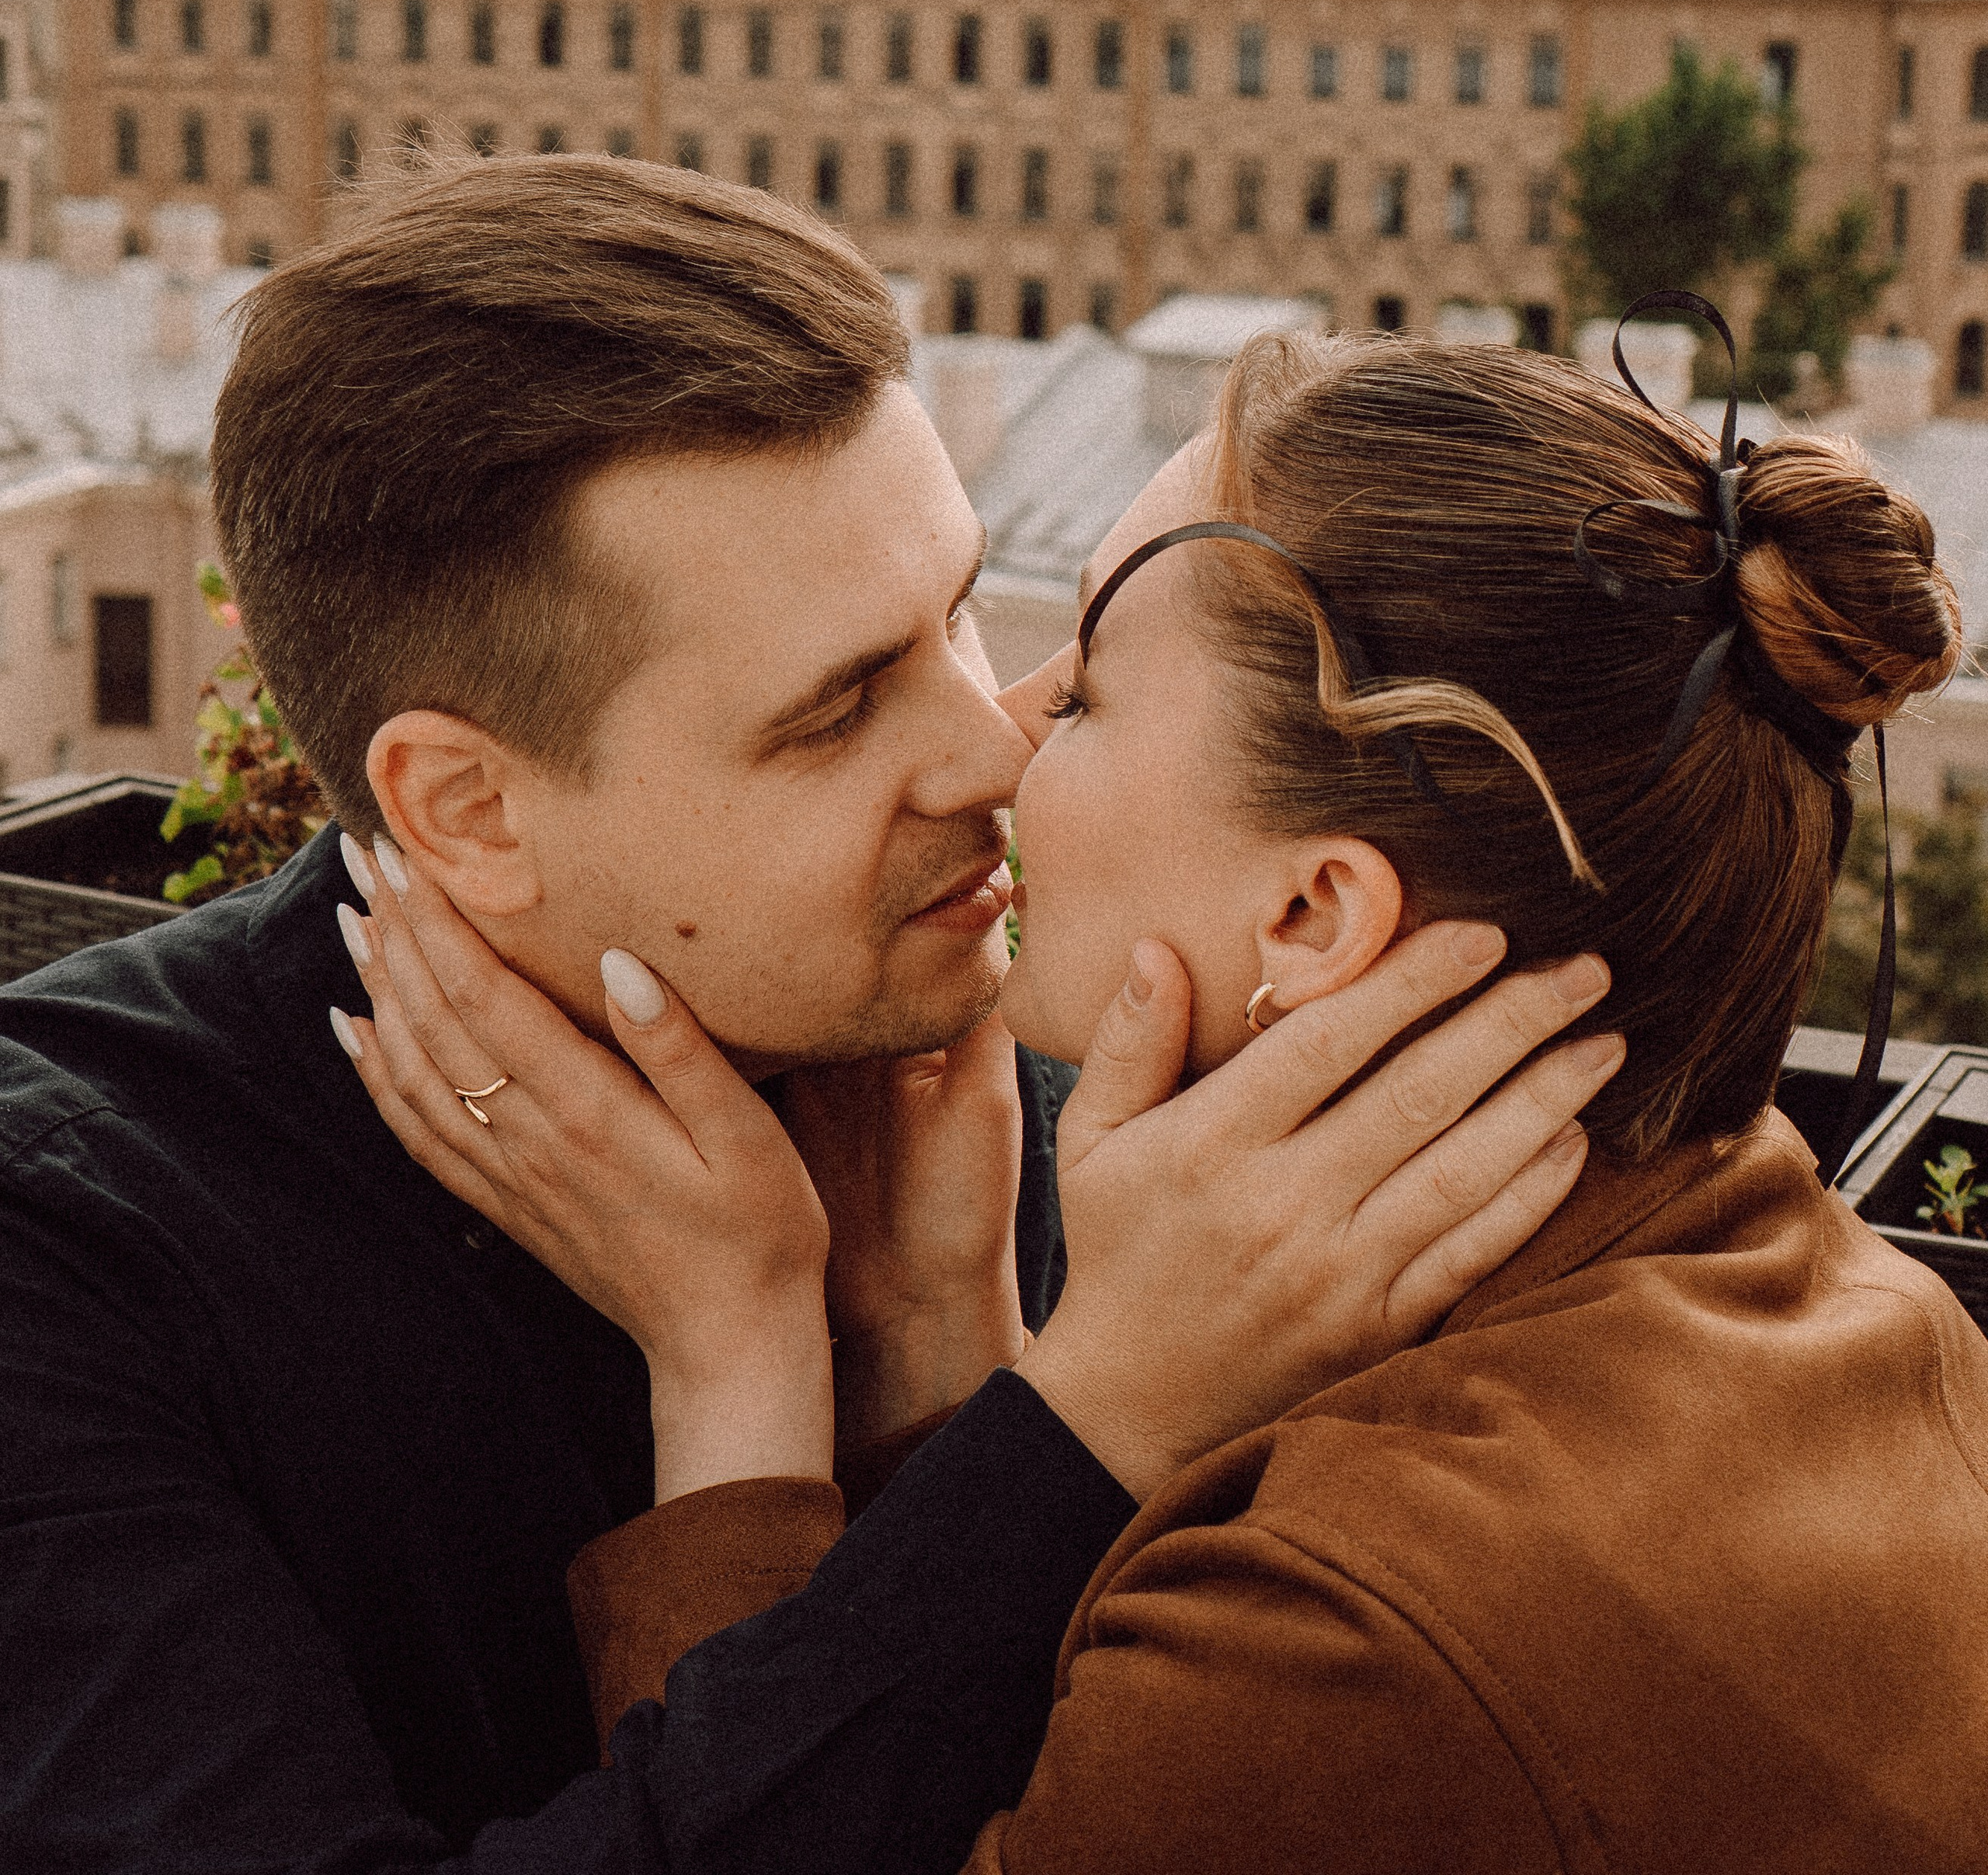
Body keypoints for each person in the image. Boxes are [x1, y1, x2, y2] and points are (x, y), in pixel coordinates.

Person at [0, 156, 1602, 1875]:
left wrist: (933, 1364)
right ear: (465, 809)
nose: (991, 750)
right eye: (838, 709)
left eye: (956, 612)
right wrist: (1077, 1432)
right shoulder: (64, 1260)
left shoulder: (1026, 1086)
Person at [346, 311, 1988, 1874]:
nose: (999, 734)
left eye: (1088, 694)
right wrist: (946, 1348)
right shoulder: (1861, 1323)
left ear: (1310, 917)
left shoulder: (1345, 1631)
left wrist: (733, 1378)